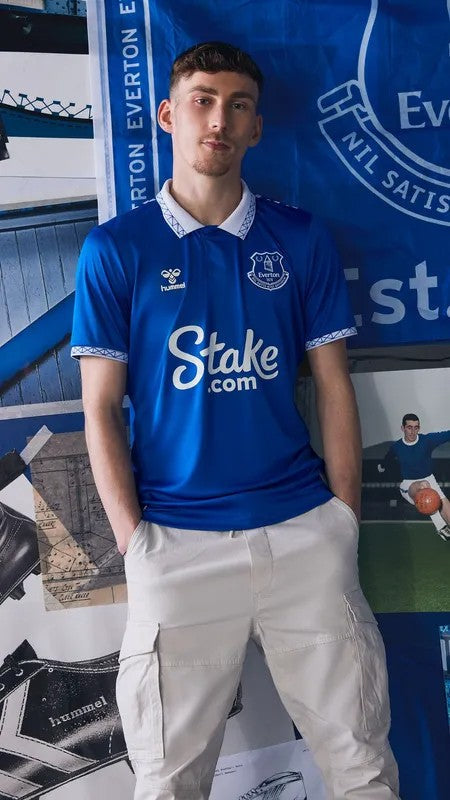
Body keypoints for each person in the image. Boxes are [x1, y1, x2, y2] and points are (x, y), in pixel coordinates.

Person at [71, 41, 399, 800]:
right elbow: (100, 408)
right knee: (167, 783)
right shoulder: (116, 249)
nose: (219, 119)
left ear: (256, 127)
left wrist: (341, 518)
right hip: (175, 546)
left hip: (302, 535)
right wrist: (136, 544)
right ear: (168, 115)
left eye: (238, 105)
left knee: (363, 769)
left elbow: (333, 385)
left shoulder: (300, 238)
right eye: (203, 100)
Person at [377, 413, 450, 541]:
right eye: (409, 427)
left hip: (429, 479)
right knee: (424, 485)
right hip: (408, 485)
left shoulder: (427, 441)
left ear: (419, 428)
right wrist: (382, 466)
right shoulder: (397, 447)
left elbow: (447, 435)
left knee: (445, 506)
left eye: (416, 428)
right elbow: (388, 458)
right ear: (403, 428)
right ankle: (440, 526)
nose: (413, 431)